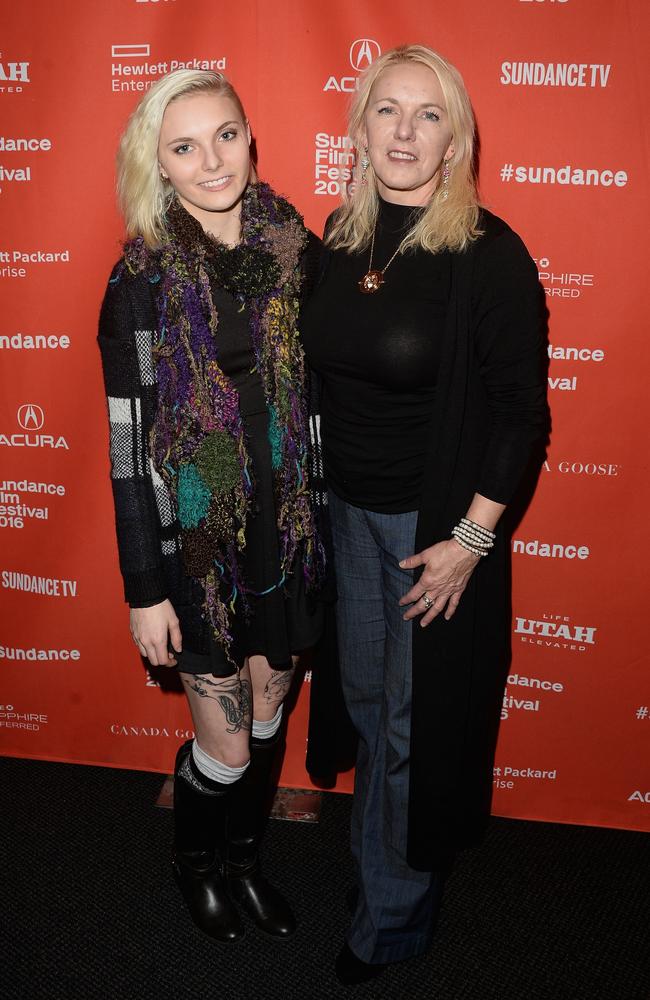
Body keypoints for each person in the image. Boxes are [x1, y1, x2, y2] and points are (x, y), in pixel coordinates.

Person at [301, 44, 548, 984]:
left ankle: (394, 922)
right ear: (360, 128)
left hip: (428, 533)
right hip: (345, 520)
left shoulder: (488, 255)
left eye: (428, 115)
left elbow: (522, 416)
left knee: (413, 722)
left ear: (455, 140)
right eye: (387, 111)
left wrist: (471, 543)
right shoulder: (338, 236)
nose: (404, 132)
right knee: (367, 706)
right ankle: (378, 863)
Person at [98, 69, 323, 944]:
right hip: (200, 543)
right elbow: (128, 444)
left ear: (250, 135)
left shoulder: (293, 246)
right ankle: (197, 868)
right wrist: (145, 586)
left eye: (224, 135)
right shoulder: (142, 280)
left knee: (267, 721)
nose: (211, 160)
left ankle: (243, 862)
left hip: (291, 528)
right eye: (184, 146)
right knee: (226, 746)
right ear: (159, 164)